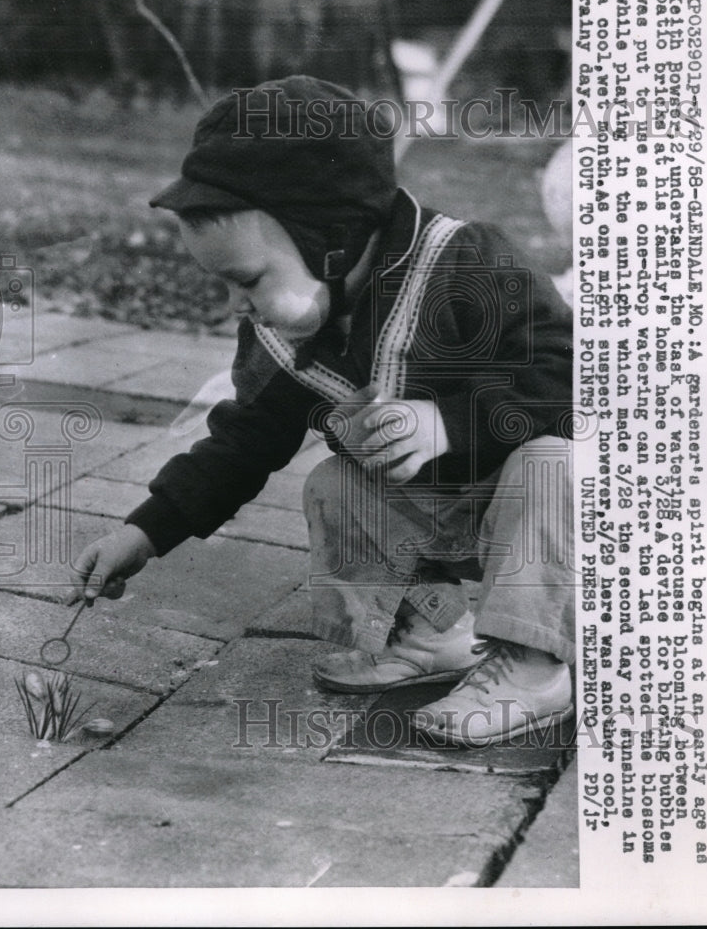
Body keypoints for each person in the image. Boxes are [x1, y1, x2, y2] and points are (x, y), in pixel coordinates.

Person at [70, 76, 575, 747]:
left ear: (330, 240)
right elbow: (244, 440)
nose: (237, 305)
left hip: (544, 519)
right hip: (446, 512)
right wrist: (145, 531)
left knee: (549, 463)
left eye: (248, 281)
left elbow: (570, 376)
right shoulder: (292, 337)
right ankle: (432, 631)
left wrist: (447, 421)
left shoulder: (466, 266)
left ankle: (533, 666)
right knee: (335, 484)